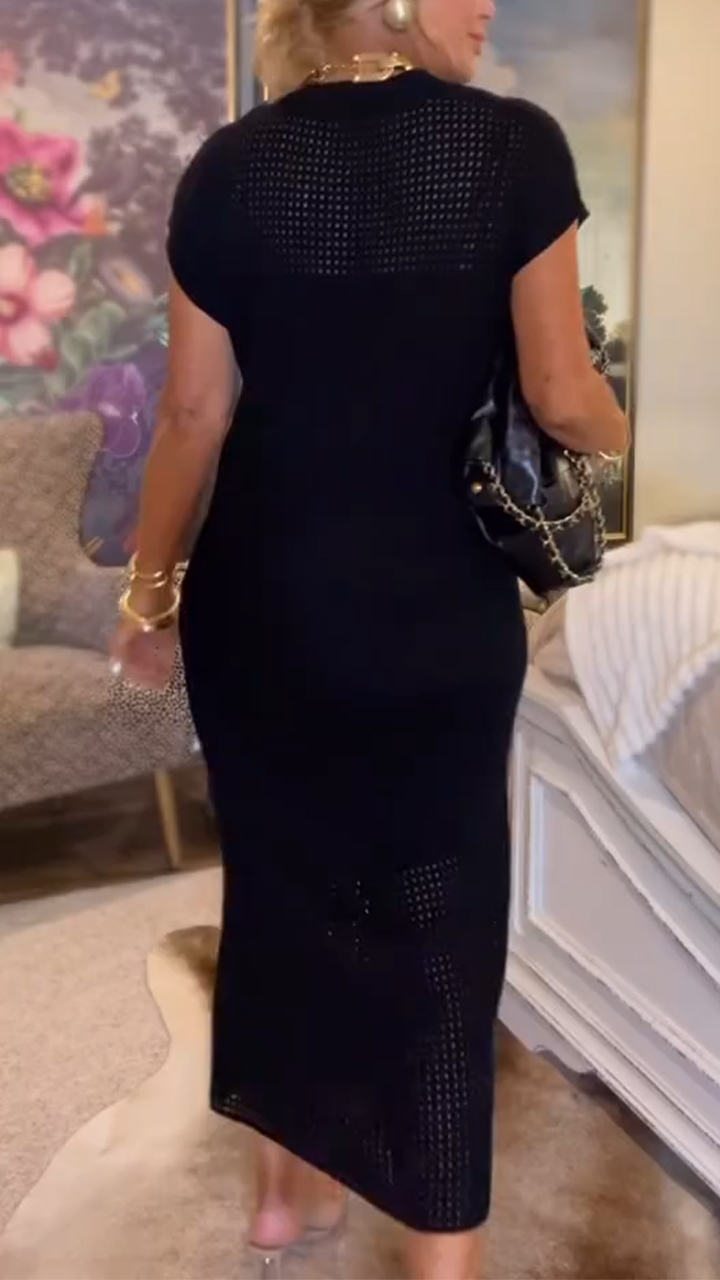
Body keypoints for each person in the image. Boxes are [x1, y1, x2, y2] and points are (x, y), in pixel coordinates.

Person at [111, 0, 628, 1275]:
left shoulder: (231, 166)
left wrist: (148, 599)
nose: (486, 5)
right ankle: (442, 1253)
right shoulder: (513, 148)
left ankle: (288, 1199)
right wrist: (618, 429)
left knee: (282, 889)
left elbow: (193, 416)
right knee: (440, 914)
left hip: (263, 606)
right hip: (432, 609)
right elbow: (560, 393)